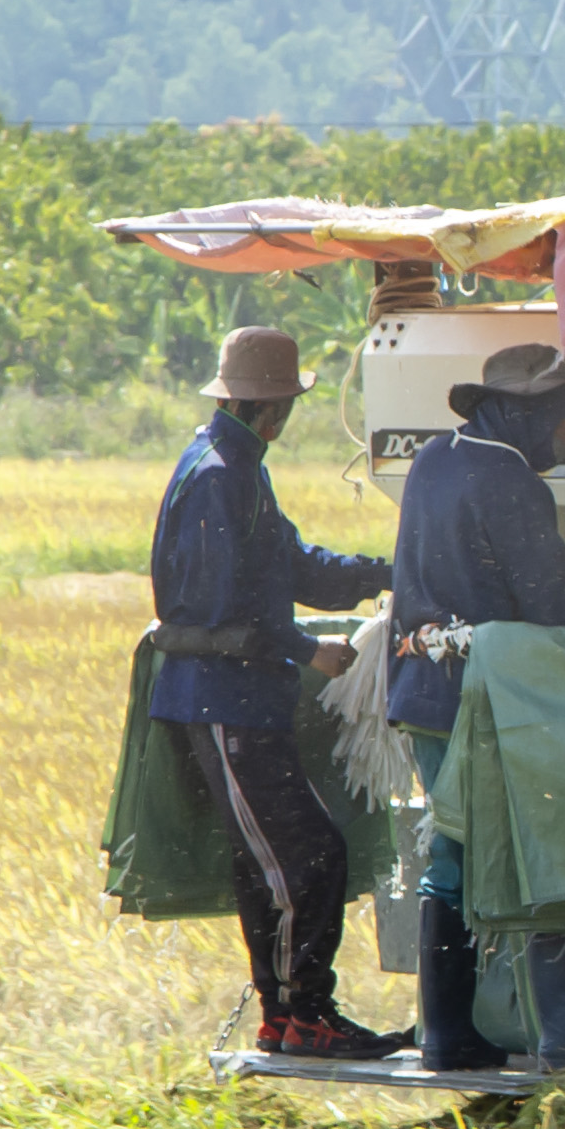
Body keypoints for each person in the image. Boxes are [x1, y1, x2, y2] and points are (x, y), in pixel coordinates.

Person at [149, 326, 399, 1057]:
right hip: (223, 702)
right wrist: (306, 651)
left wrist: (387, 571)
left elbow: (294, 567)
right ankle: (305, 1018)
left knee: (276, 861)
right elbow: (225, 607)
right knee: (306, 855)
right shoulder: (221, 475)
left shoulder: (236, 465)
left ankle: (286, 1019)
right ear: (278, 406)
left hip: (243, 702)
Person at [387, 339, 565, 1071]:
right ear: (524, 414)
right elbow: (543, 615)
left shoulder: (433, 460)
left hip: (422, 694)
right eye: (564, 419)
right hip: (489, 704)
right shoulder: (512, 480)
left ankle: (445, 1036)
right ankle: (564, 1048)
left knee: (447, 863)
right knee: (546, 854)